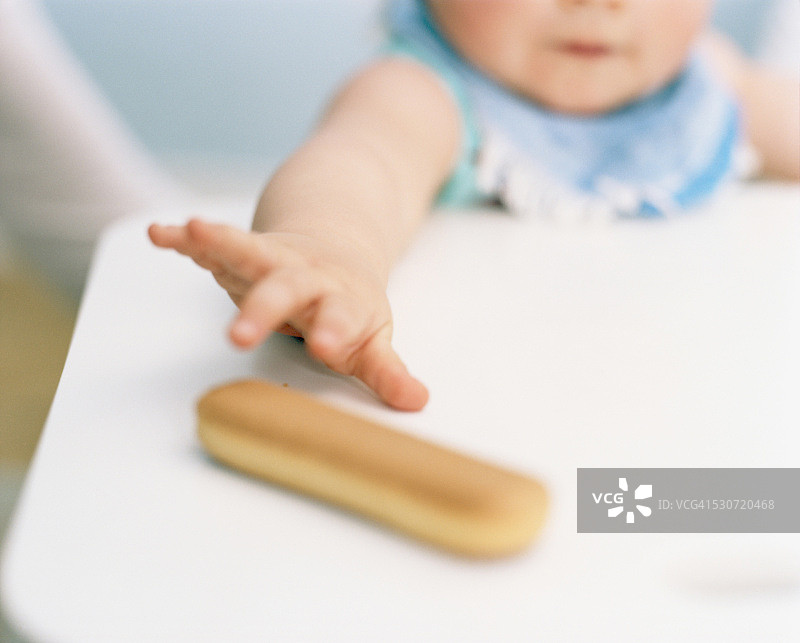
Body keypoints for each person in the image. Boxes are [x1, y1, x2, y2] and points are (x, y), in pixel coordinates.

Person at [149, 0, 800, 412]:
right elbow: (363, 162)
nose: (596, 5)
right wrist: (331, 252)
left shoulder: (708, 87)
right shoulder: (424, 90)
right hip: (492, 408)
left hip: (673, 404)